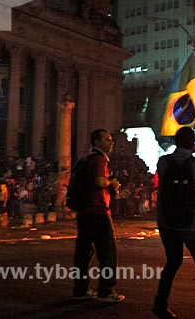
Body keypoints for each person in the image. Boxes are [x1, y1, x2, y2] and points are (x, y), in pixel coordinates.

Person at [153, 127, 195, 319]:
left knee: (172, 262)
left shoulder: (163, 162)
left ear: (175, 142)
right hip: (193, 225)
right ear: (193, 143)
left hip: (166, 223)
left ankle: (160, 303)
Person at [72, 129, 125, 302]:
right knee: (108, 252)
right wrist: (112, 182)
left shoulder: (85, 159)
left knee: (83, 252)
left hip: (84, 211)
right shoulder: (100, 160)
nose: (111, 143)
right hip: (98, 211)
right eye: (107, 139)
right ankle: (106, 290)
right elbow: (100, 182)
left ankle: (80, 289)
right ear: (96, 142)